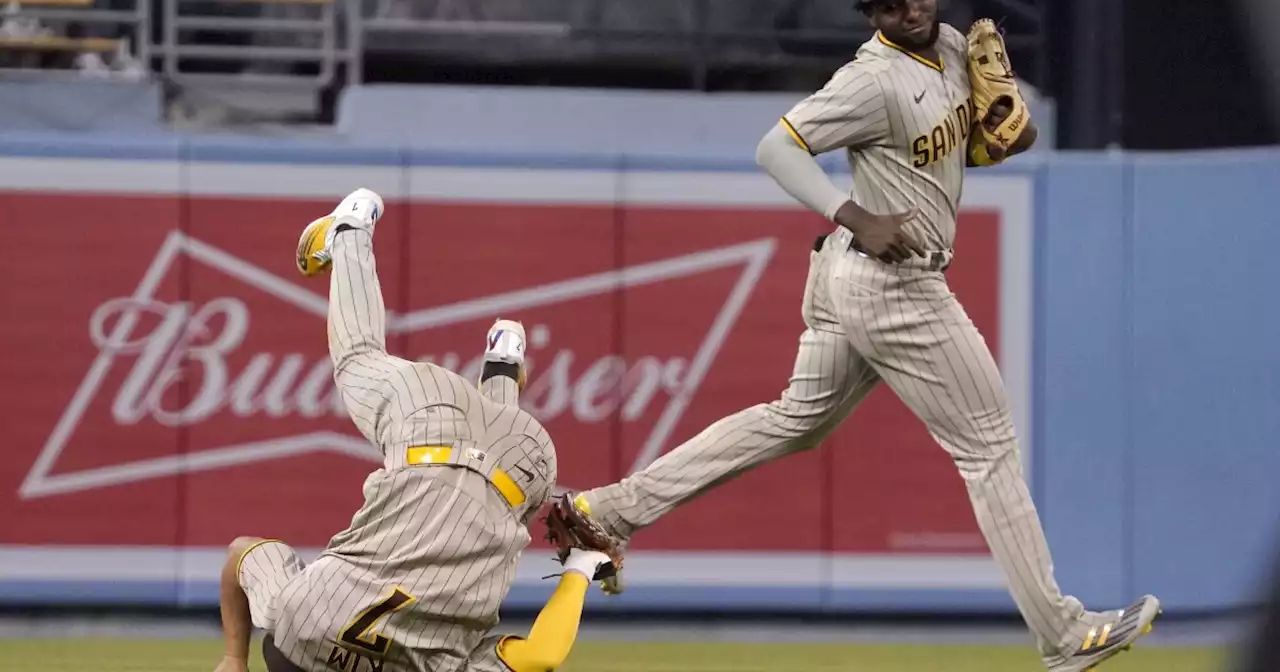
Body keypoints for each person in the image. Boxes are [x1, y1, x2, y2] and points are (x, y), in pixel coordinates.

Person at [546, 2, 1160, 670]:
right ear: (870, 10)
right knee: (989, 450)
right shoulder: (870, 80)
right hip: (893, 284)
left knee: (796, 419)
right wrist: (854, 212)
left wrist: (1004, 137)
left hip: (850, 276)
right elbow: (775, 147)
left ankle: (607, 509)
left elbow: (964, 151)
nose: (911, 6)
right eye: (889, 1)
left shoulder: (954, 46)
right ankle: (1063, 635)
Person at [212, 188, 614, 672]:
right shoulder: (290, 613)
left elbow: (541, 656)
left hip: (522, 457)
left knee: (494, 494)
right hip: (425, 421)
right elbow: (242, 554)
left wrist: (580, 569)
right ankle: (351, 229)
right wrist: (235, 658)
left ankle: (503, 367)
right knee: (358, 356)